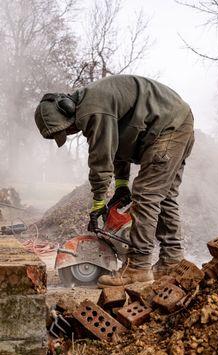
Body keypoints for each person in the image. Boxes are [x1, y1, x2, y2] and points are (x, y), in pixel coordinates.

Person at [34, 75, 195, 286]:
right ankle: (171, 260)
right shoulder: (97, 102)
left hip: (168, 129)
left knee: (146, 194)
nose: (71, 132)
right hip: (178, 123)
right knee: (164, 196)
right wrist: (120, 186)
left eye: (67, 129)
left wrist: (99, 202)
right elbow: (118, 148)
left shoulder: (93, 109)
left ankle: (138, 266)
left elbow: (102, 160)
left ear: (66, 108)